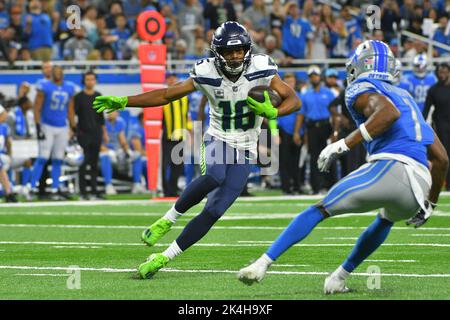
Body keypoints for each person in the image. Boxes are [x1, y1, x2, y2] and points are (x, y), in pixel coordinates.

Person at [237, 40, 449, 294]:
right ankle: (339, 277)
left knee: (319, 209)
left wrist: (342, 145)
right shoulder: (407, 98)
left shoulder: (361, 87)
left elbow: (388, 113)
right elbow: (441, 159)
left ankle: (262, 264)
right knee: (385, 219)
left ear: (360, 65)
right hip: (417, 189)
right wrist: (430, 204)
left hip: (392, 169)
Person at [92, 21, 301, 279]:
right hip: (218, 137)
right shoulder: (206, 71)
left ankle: (163, 257)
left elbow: (294, 99)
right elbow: (168, 94)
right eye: (229, 51)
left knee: (214, 211)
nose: (236, 56)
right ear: (217, 53)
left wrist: (274, 112)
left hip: (246, 147)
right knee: (214, 176)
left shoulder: (262, 67)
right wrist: (126, 101)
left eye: (240, 50)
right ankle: (167, 219)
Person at [29, 65, 76, 200]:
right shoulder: (44, 86)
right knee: (43, 157)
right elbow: (37, 107)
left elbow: (70, 109)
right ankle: (32, 187)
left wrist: (73, 126)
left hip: (62, 126)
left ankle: (55, 188)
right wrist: (38, 125)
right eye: (55, 72)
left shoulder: (69, 87)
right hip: (47, 125)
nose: (57, 74)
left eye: (59, 72)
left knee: (58, 159)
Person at [293, 65, 336, 194]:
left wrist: (335, 131)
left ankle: (331, 186)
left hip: (326, 126)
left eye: (316, 75)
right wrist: (296, 132)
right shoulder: (306, 95)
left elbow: (334, 114)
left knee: (330, 155)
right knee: (314, 158)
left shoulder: (328, 93)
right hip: (312, 127)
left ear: (320, 77)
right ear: (309, 78)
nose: (314, 78)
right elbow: (301, 114)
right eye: (312, 76)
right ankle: (316, 187)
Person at [70, 70, 107, 200]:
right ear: (84, 81)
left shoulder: (99, 96)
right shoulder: (79, 97)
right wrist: (73, 130)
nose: (90, 81)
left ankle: (94, 191)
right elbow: (72, 115)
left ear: (95, 81)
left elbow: (101, 117)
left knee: (94, 163)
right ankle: (83, 192)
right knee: (83, 162)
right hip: (83, 133)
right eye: (87, 79)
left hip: (96, 133)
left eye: (92, 79)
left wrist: (104, 133)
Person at [423, 62, 450, 190]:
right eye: (440, 72)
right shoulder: (433, 90)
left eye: (445, 72)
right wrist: (421, 125)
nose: (442, 74)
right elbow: (426, 110)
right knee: (443, 155)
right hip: (441, 127)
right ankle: (439, 182)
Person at [99, 111, 135, 195]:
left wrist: (128, 151)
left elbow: (122, 139)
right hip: (104, 151)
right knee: (106, 157)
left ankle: (137, 184)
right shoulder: (102, 123)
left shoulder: (119, 122)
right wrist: (107, 151)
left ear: (117, 113)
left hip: (116, 151)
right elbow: (98, 142)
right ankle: (108, 185)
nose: (110, 113)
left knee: (136, 156)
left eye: (113, 111)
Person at [0, 104, 17, 202]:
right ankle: (8, 192)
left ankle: (8, 192)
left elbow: (4, 114)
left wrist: (10, 154)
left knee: (1, 170)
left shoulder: (3, 128)